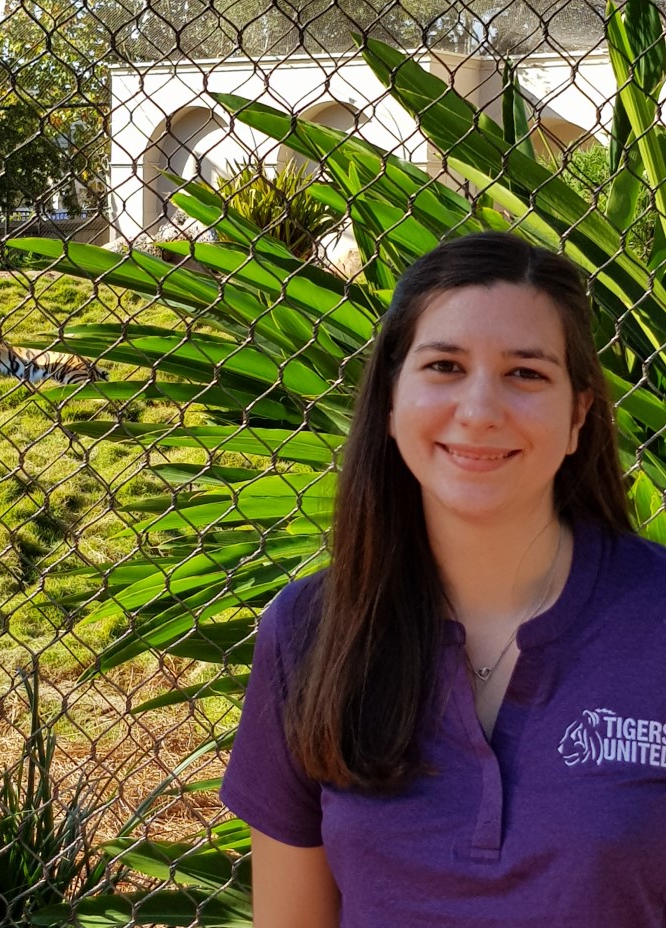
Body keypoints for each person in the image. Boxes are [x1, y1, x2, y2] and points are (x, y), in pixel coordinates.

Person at [220, 231, 666, 927]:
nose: (481, 409)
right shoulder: (310, 633)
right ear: (391, 399)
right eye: (445, 366)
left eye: (526, 373)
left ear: (578, 416)